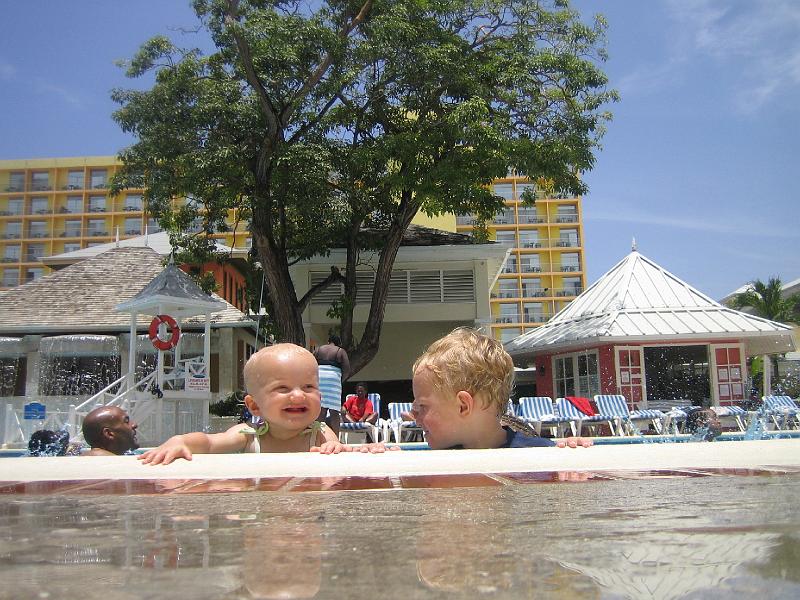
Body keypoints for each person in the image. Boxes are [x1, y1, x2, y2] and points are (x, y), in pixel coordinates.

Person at [138, 344, 387, 465]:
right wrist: (180, 441)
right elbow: (211, 442)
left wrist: (366, 451)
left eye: (309, 387)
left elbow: (338, 452)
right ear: (254, 406)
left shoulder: (319, 433)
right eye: (283, 388)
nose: (299, 396)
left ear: (320, 399)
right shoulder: (248, 436)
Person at [411, 328, 593, 449]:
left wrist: (573, 451)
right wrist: (383, 453)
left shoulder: (535, 454)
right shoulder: (432, 457)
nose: (414, 417)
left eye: (422, 407)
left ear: (463, 406)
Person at [313, 333, 350, 436]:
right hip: (333, 379)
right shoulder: (340, 351)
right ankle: (336, 437)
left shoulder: (319, 349)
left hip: (320, 377)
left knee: (321, 410)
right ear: (338, 343)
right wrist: (340, 380)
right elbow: (347, 369)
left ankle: (317, 436)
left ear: (328, 341)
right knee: (334, 411)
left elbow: (311, 362)